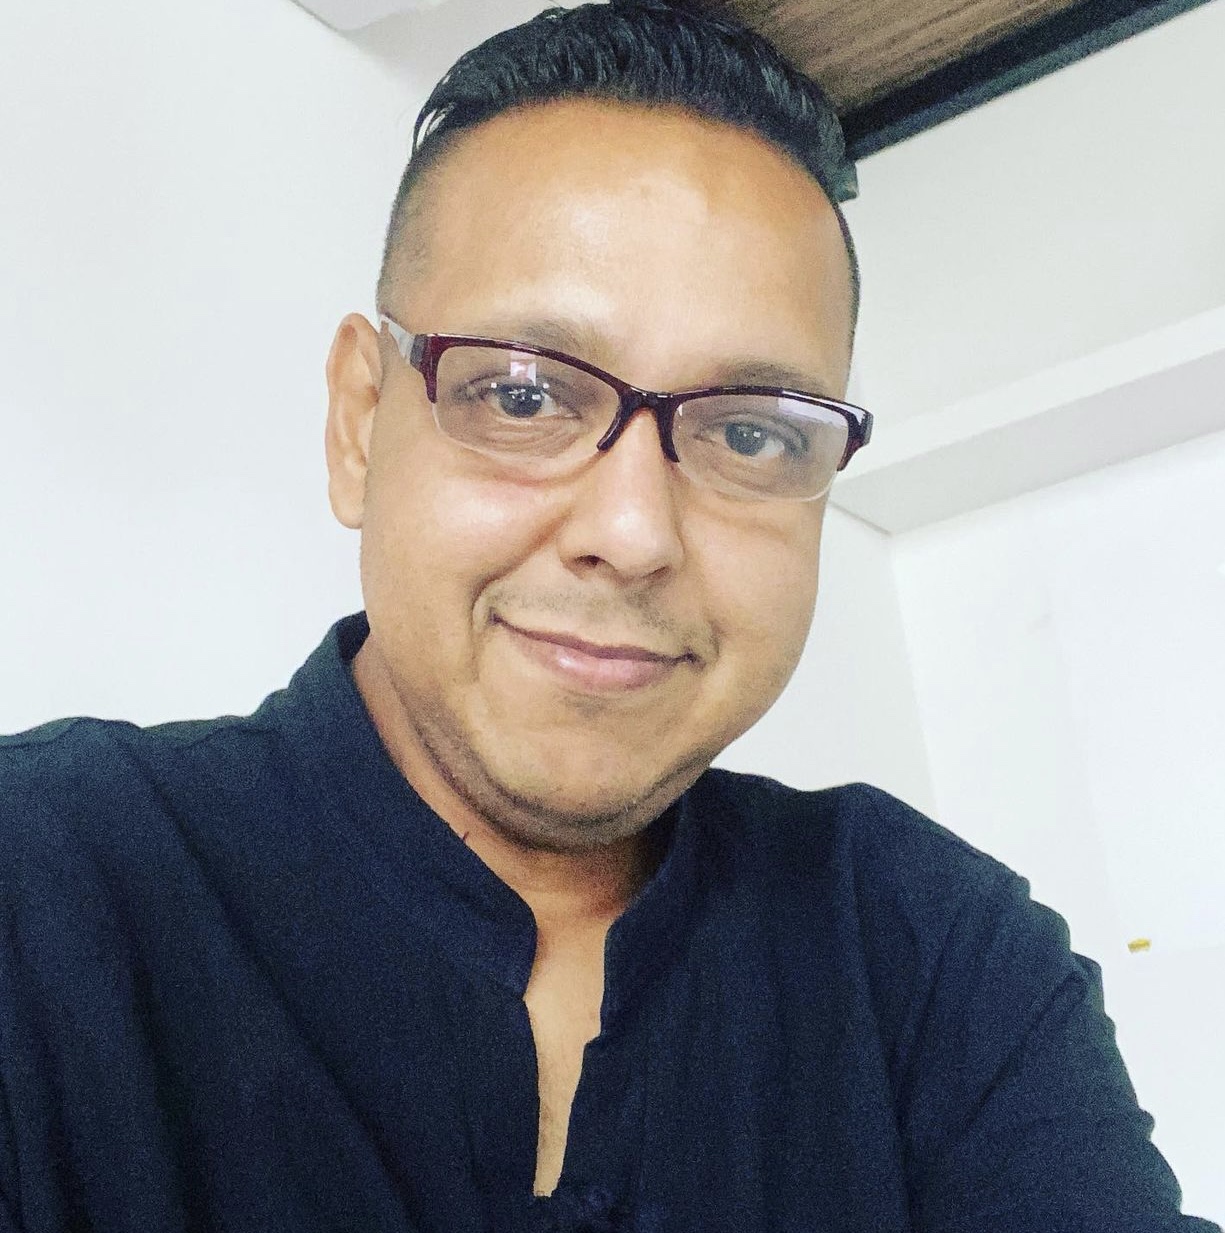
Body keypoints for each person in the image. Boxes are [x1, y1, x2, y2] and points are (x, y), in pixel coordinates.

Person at [0, 2, 1216, 1230]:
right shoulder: (44, 883)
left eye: (752, 433)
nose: (634, 533)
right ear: (360, 425)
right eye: (523, 394)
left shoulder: (932, 953)